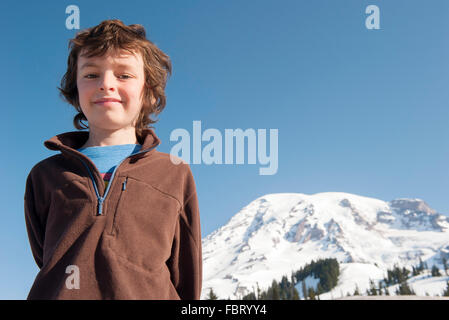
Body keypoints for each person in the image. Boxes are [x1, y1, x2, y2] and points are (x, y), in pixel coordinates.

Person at [23, 19, 202, 300]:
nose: (106, 85)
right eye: (91, 74)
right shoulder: (46, 174)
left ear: (149, 92)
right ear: (75, 89)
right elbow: (46, 258)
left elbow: (186, 274)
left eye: (124, 75)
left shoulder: (173, 173)